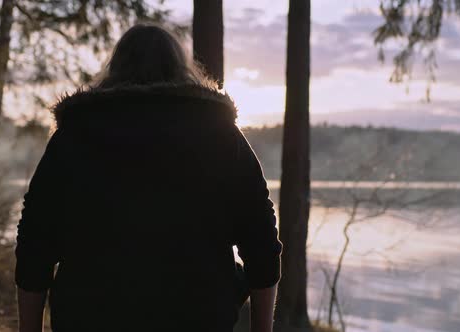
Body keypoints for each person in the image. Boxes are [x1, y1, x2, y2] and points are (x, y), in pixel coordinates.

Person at [15, 23, 282, 332]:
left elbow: (34, 243)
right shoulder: (221, 136)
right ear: (182, 70)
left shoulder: (73, 137)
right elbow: (262, 242)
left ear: (114, 70)